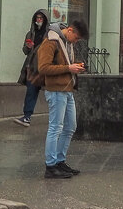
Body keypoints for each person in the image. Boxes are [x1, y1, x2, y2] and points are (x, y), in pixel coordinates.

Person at [36, 18, 88, 179]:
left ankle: (59, 161)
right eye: (77, 37)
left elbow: (64, 65)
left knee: (70, 126)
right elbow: (43, 68)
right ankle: (50, 166)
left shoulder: (66, 42)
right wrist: (69, 68)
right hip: (56, 90)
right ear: (70, 30)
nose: (77, 41)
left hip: (67, 89)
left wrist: (75, 66)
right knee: (55, 127)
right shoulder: (51, 40)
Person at [14, 9, 50, 127]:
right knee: (31, 92)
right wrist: (28, 47)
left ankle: (58, 118)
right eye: (37, 18)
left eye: (41, 18)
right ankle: (27, 117)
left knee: (51, 93)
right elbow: (25, 51)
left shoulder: (49, 34)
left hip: (44, 68)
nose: (38, 20)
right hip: (32, 67)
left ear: (45, 20)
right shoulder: (30, 34)